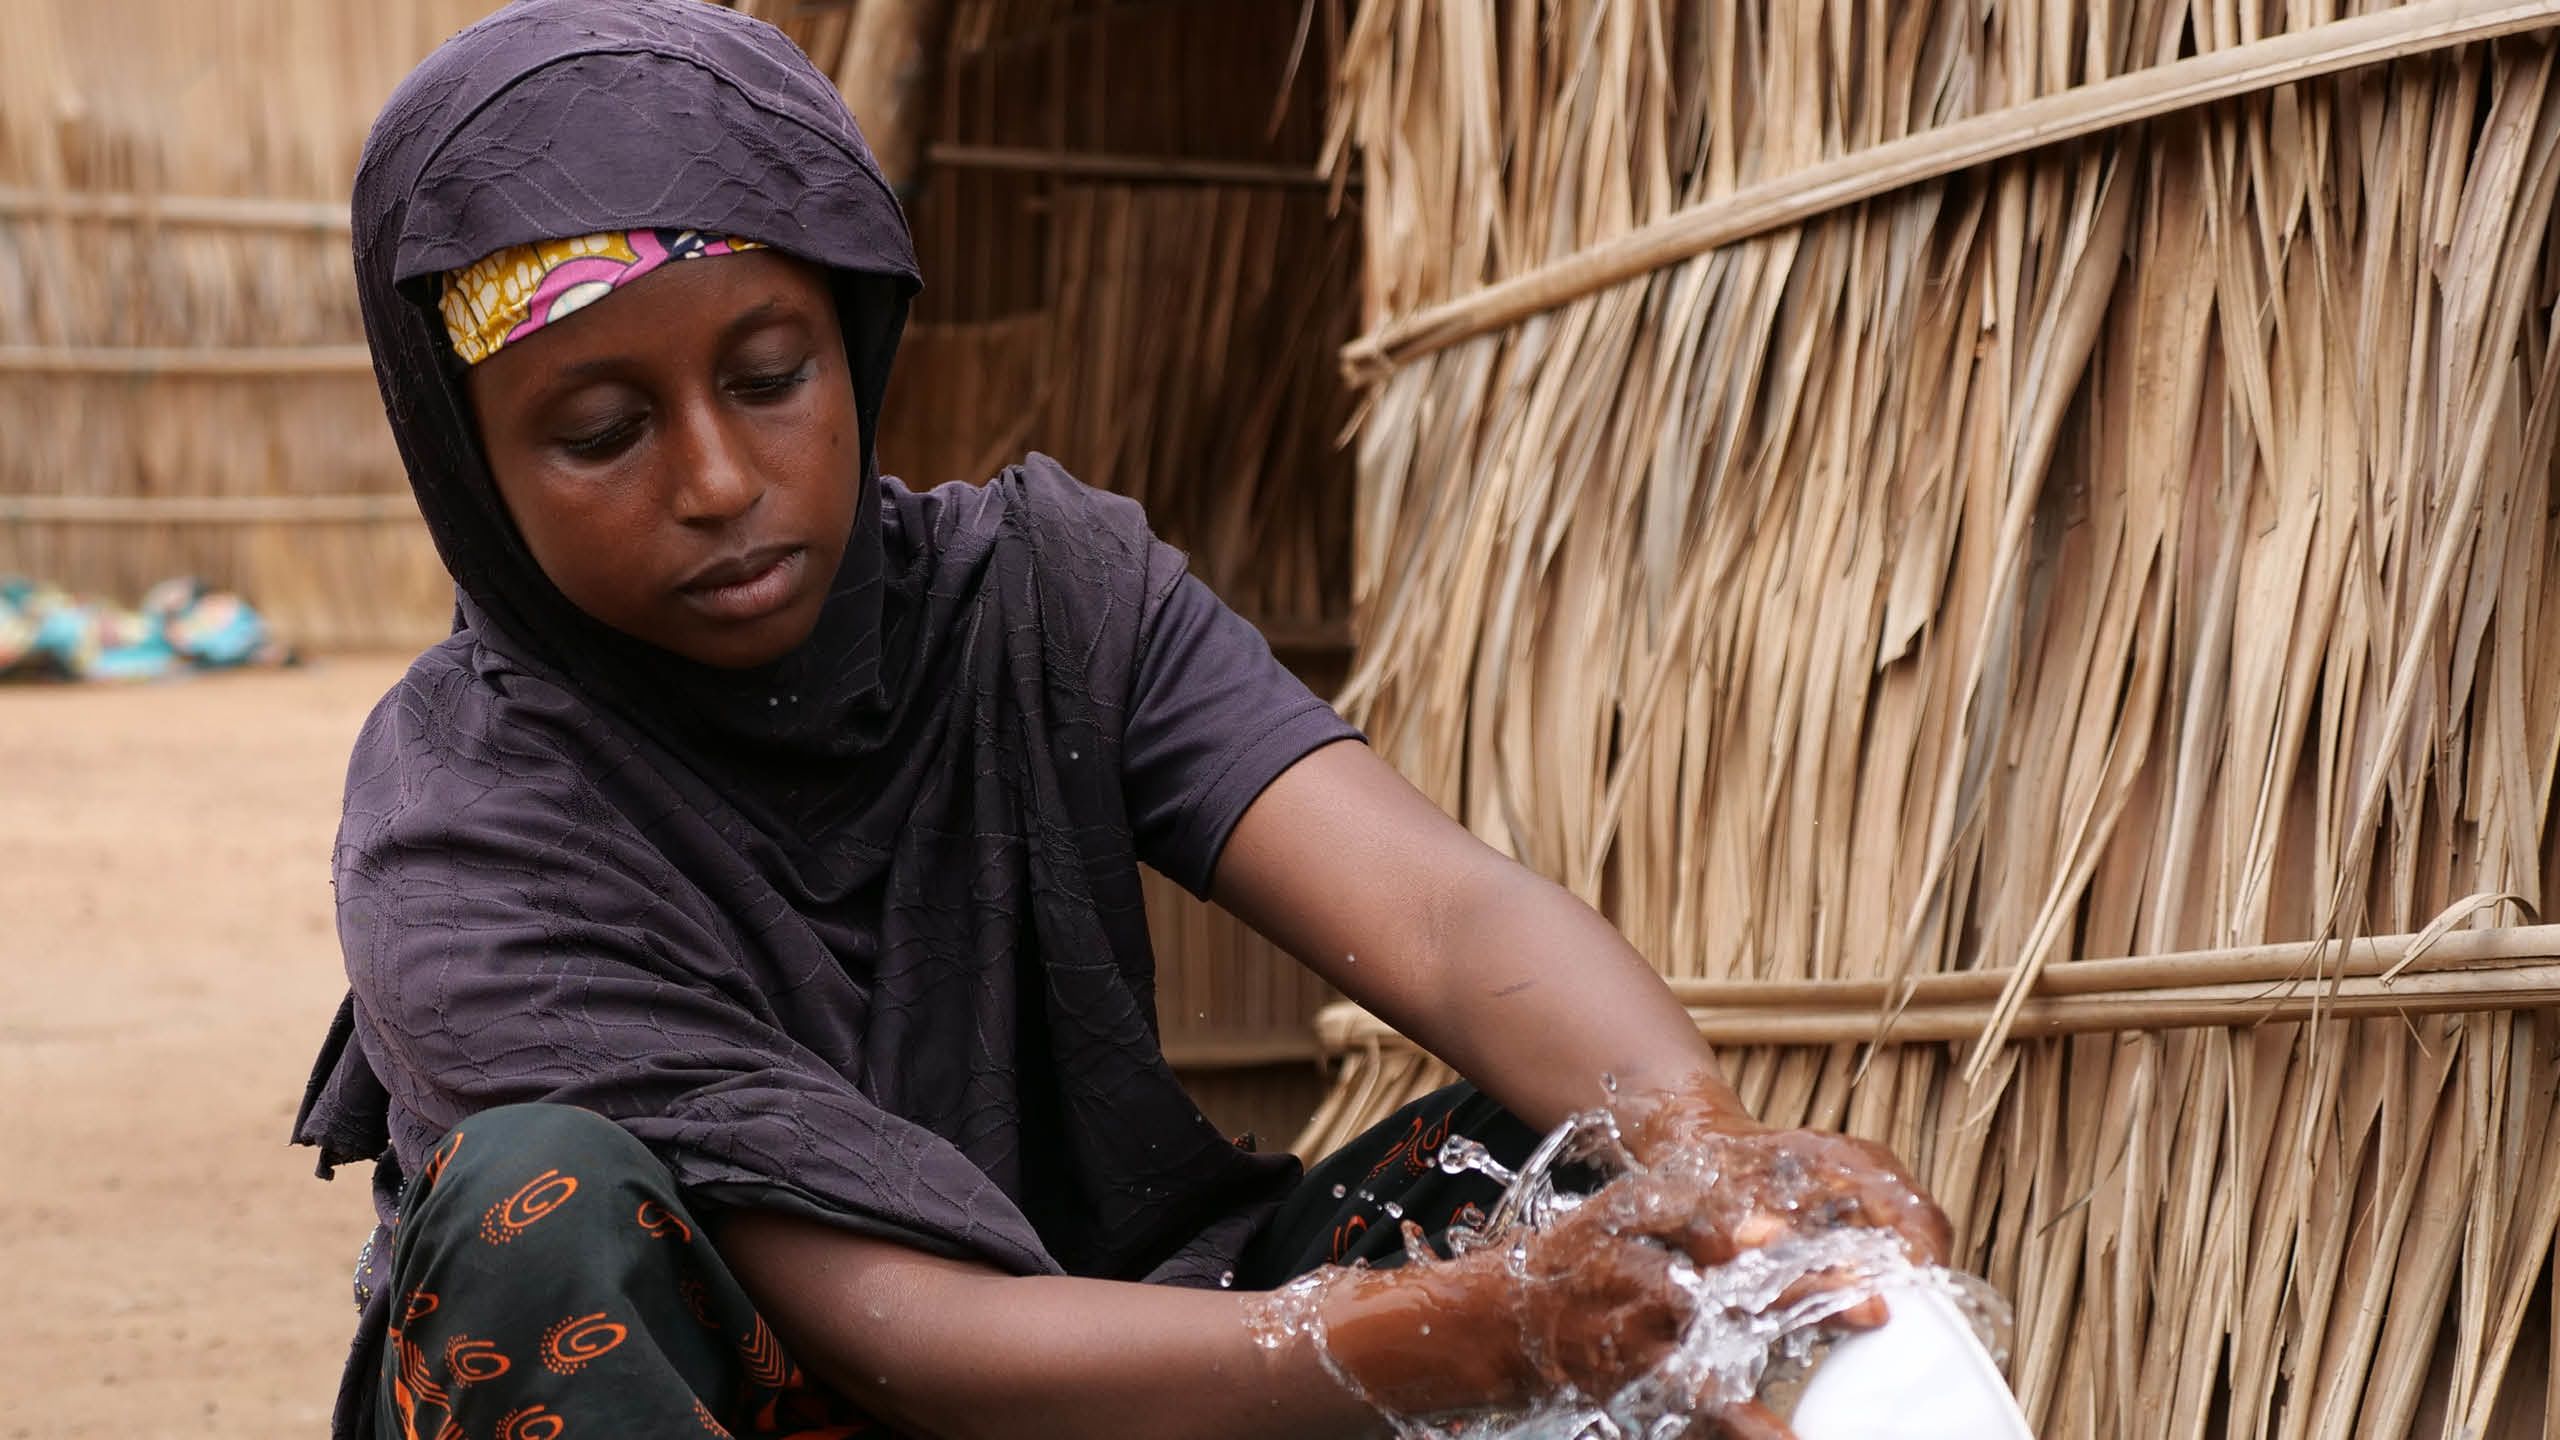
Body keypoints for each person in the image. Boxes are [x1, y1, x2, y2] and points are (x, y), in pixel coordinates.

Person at [291, 3, 1950, 1437]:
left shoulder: (1044, 593)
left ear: (855, 341)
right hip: (789, 1395)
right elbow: (901, 1339)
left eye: (769, 374)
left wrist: (1709, 1176)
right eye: (599, 432)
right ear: (471, 473)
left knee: (1577, 1152)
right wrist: (1464, 1332)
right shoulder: (466, 832)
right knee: (535, 1217)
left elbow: (1442, 922)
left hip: (1142, 1343)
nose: (718, 481)